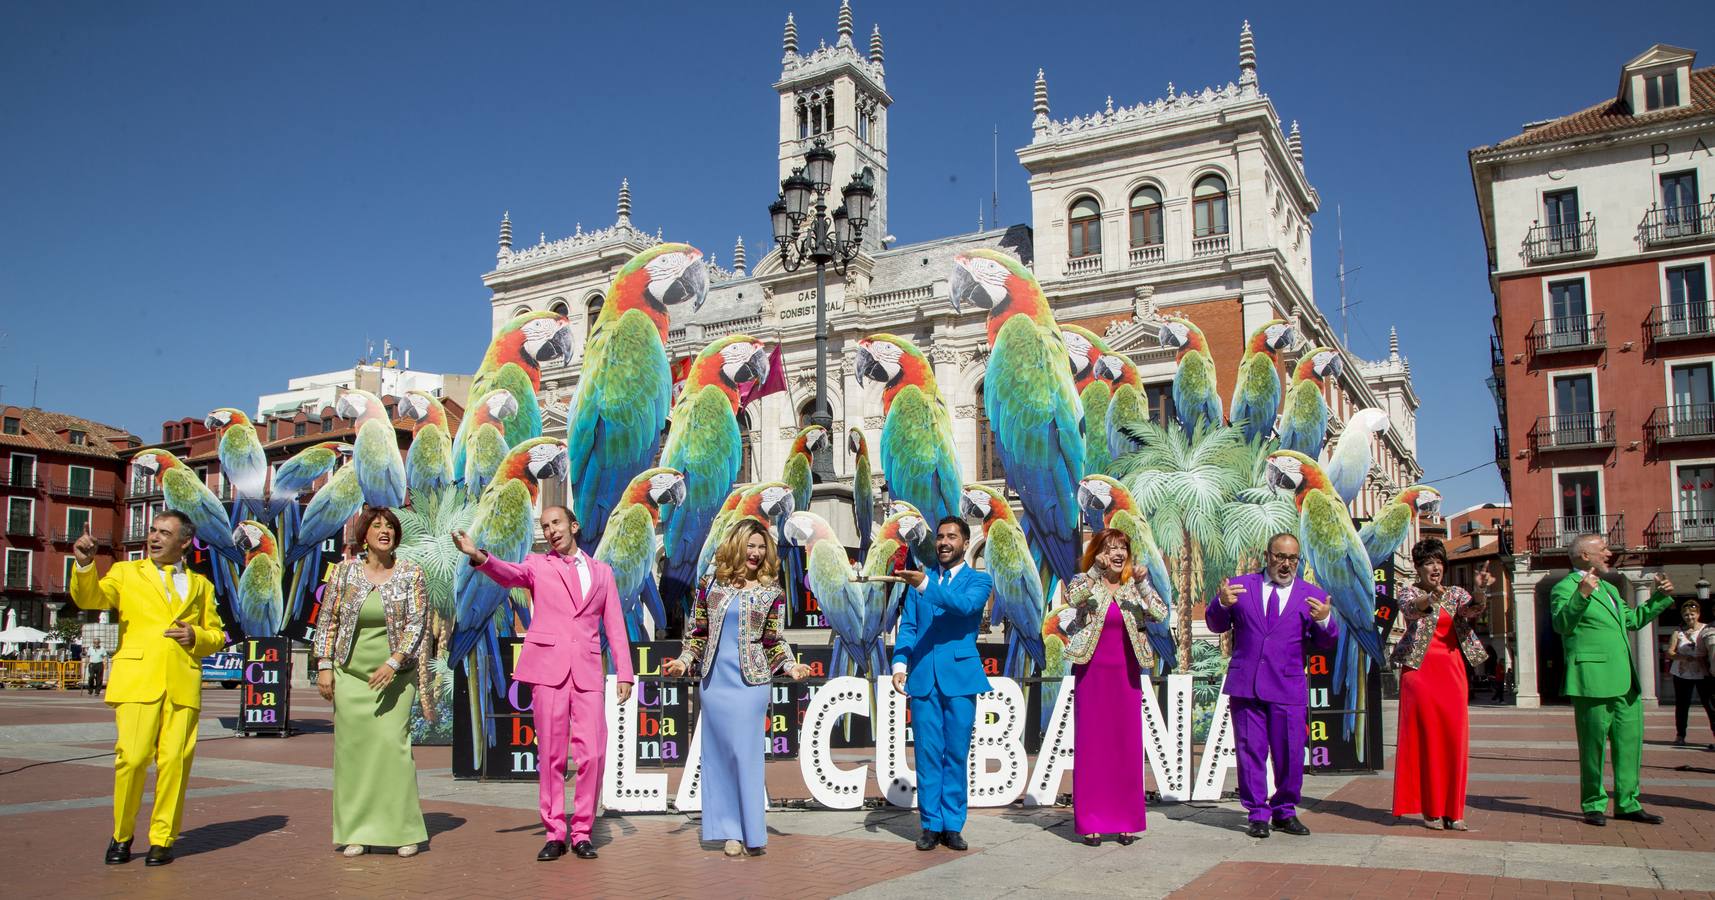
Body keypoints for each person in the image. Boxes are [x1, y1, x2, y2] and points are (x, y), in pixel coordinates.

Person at [454, 506, 634, 862]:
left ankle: (582, 831)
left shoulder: (602, 572)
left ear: (574, 526)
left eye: (556, 523)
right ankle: (555, 833)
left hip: (587, 672)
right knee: (551, 755)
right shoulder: (537, 565)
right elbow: (509, 574)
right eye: (545, 526)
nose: (551, 530)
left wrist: (625, 673)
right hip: (548, 671)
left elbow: (615, 625)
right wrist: (479, 556)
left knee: (594, 754)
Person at [68, 512, 226, 867]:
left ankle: (162, 839)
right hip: (137, 680)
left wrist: (196, 636)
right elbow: (91, 598)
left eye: (164, 533)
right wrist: (85, 565)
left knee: (175, 763)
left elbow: (217, 634)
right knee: (133, 758)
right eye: (153, 530)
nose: (154, 537)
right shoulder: (126, 572)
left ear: (184, 542)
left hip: (182, 684)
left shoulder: (201, 586)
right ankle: (122, 834)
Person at [662, 520, 810, 857]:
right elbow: (697, 633)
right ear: (737, 545)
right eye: (750, 545)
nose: (755, 553)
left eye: (761, 547)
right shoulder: (710, 584)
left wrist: (790, 665)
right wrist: (684, 661)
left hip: (751, 684)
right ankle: (729, 831)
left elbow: (773, 639)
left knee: (746, 756)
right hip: (714, 683)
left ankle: (752, 832)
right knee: (718, 758)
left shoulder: (772, 592)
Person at [313, 507, 432, 858]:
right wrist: (324, 665)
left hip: (396, 677)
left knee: (394, 750)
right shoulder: (344, 572)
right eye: (377, 526)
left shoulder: (411, 572)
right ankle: (356, 832)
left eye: (390, 527)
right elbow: (328, 620)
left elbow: (417, 622)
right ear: (364, 534)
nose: (385, 531)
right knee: (353, 754)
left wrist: (394, 662)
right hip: (350, 677)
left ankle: (401, 831)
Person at [1206, 532, 1339, 839]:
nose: (1286, 564)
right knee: (1250, 752)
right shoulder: (1240, 587)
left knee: (1290, 754)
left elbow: (1326, 643)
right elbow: (1215, 624)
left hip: (1287, 687)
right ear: (1267, 557)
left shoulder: (1312, 595)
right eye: (1280, 557)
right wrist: (1220, 604)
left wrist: (1324, 621)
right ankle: (1257, 813)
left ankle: (1285, 811)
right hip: (1247, 686)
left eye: (1292, 558)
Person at [1550, 533, 1676, 826]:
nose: (1609, 553)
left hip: (1625, 680)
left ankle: (1628, 803)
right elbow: (1562, 624)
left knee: (1629, 745)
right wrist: (1581, 595)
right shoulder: (1564, 587)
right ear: (1585, 555)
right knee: (1592, 747)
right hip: (1591, 680)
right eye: (1603, 549)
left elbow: (1632, 620)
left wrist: (1660, 598)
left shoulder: (1610, 588)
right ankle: (1593, 803)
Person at [890, 516, 994, 853]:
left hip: (960, 680)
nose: (944, 542)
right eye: (940, 537)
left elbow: (964, 607)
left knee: (956, 755)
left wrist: (924, 584)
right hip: (922, 679)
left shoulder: (979, 580)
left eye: (952, 537)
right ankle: (931, 825)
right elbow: (909, 626)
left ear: (965, 542)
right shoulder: (921, 580)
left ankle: (953, 825)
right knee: (927, 754)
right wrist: (900, 664)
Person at [1062, 528, 1168, 846]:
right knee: (1092, 747)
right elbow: (1073, 598)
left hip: (1126, 676)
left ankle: (1125, 821)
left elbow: (1160, 614)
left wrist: (1144, 583)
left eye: (1122, 548)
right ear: (1098, 552)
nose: (1118, 553)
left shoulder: (1132, 587)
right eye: (1110, 548)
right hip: (1092, 675)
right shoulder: (1085, 581)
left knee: (1126, 747)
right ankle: (1091, 821)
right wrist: (1095, 570)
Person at [1390, 542, 1492, 831]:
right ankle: (1431, 810)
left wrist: (1480, 590)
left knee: (1454, 739)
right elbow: (1412, 610)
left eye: (1439, 562)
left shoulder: (1456, 593)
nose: (1435, 568)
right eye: (1428, 563)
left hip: (1452, 671)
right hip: (1419, 673)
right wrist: (1430, 598)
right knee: (1427, 740)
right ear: (1418, 567)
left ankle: (1454, 810)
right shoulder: (1408, 592)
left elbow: (1473, 610)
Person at [1665, 600, 1714, 751]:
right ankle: (1680, 735)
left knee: (1710, 706)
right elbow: (1670, 652)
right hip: (1682, 673)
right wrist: (1683, 657)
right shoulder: (1678, 632)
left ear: (1698, 614)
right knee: (1682, 705)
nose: (1689, 617)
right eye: (1686, 615)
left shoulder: (1707, 629)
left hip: (1703, 673)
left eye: (1692, 614)